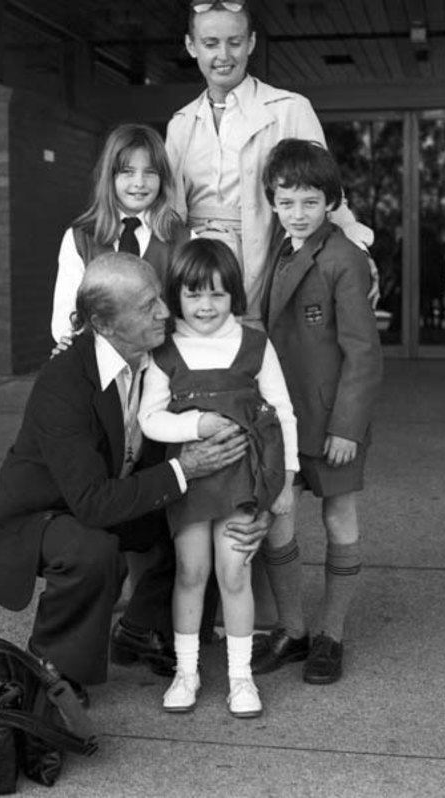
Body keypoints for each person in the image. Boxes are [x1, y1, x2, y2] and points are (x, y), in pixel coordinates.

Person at [0, 252, 269, 706]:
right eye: (148, 305)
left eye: (160, 299)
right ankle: (54, 669)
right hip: (43, 513)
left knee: (196, 526)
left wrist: (257, 506)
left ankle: (140, 629)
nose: (166, 312)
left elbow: (252, 398)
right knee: (93, 550)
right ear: (104, 323)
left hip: (110, 495)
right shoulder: (64, 380)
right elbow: (93, 502)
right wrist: (185, 468)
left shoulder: (167, 352)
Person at [138, 238, 298, 717]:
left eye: (216, 294)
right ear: (176, 296)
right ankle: (186, 672)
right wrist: (196, 427)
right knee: (191, 572)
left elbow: (283, 412)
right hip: (188, 482)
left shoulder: (254, 344)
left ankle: (240, 677)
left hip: (242, 482)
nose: (205, 306)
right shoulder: (164, 350)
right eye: (193, 294)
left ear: (233, 296)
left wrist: (286, 481)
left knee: (234, 571)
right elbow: (150, 417)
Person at [252, 139, 383, 684]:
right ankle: (293, 628)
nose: (297, 213)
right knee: (279, 517)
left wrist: (348, 427)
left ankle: (331, 634)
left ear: (331, 202)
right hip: (285, 417)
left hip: (331, 423)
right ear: (273, 202)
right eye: (286, 202)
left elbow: (363, 352)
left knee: (337, 516)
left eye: (309, 202)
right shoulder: (278, 250)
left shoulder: (345, 258)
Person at [165, 0, 377, 326]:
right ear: (191, 46)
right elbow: (167, 213)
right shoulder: (180, 123)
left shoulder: (290, 109)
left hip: (265, 271)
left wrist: (359, 251)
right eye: (210, 43)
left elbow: (327, 195)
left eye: (234, 42)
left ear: (250, 43)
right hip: (195, 279)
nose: (224, 55)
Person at [51, 123, 189, 345]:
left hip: (166, 363)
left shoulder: (185, 238)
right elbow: (67, 312)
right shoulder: (79, 238)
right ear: (110, 176)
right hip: (100, 362)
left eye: (150, 172)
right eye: (128, 172)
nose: (139, 183)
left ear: (162, 178)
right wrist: (75, 347)